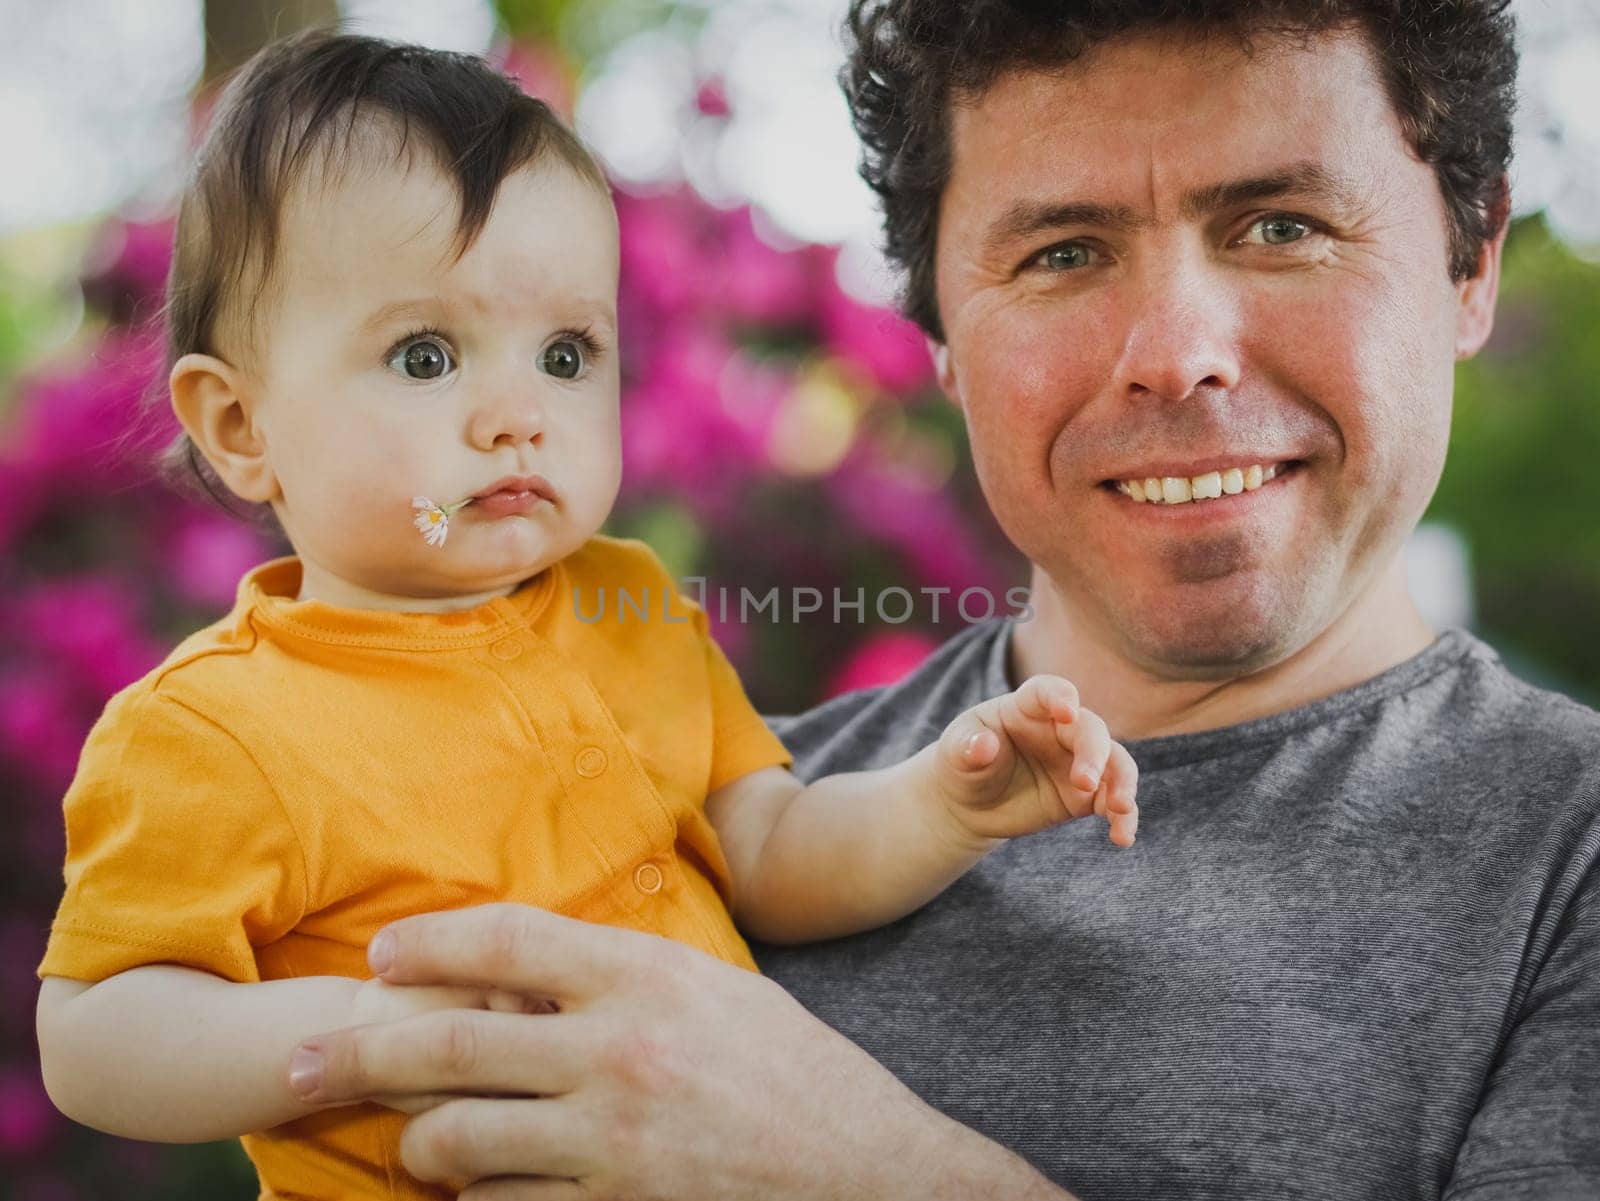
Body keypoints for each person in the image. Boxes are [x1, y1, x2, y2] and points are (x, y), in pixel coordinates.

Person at [276, 2, 1600, 1199]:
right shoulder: (691, 826)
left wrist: (869, 1171)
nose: (1177, 355)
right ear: (942, 343)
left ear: (1468, 264)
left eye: (1283, 228)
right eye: (1065, 253)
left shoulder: (1568, 861)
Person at [30, 29, 1144, 1201]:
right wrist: (364, 1030)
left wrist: (942, 803)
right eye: (423, 355)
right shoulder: (217, 726)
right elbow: (96, 1031)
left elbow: (765, 848)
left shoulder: (628, 608)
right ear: (241, 426)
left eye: (566, 351)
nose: (518, 412)